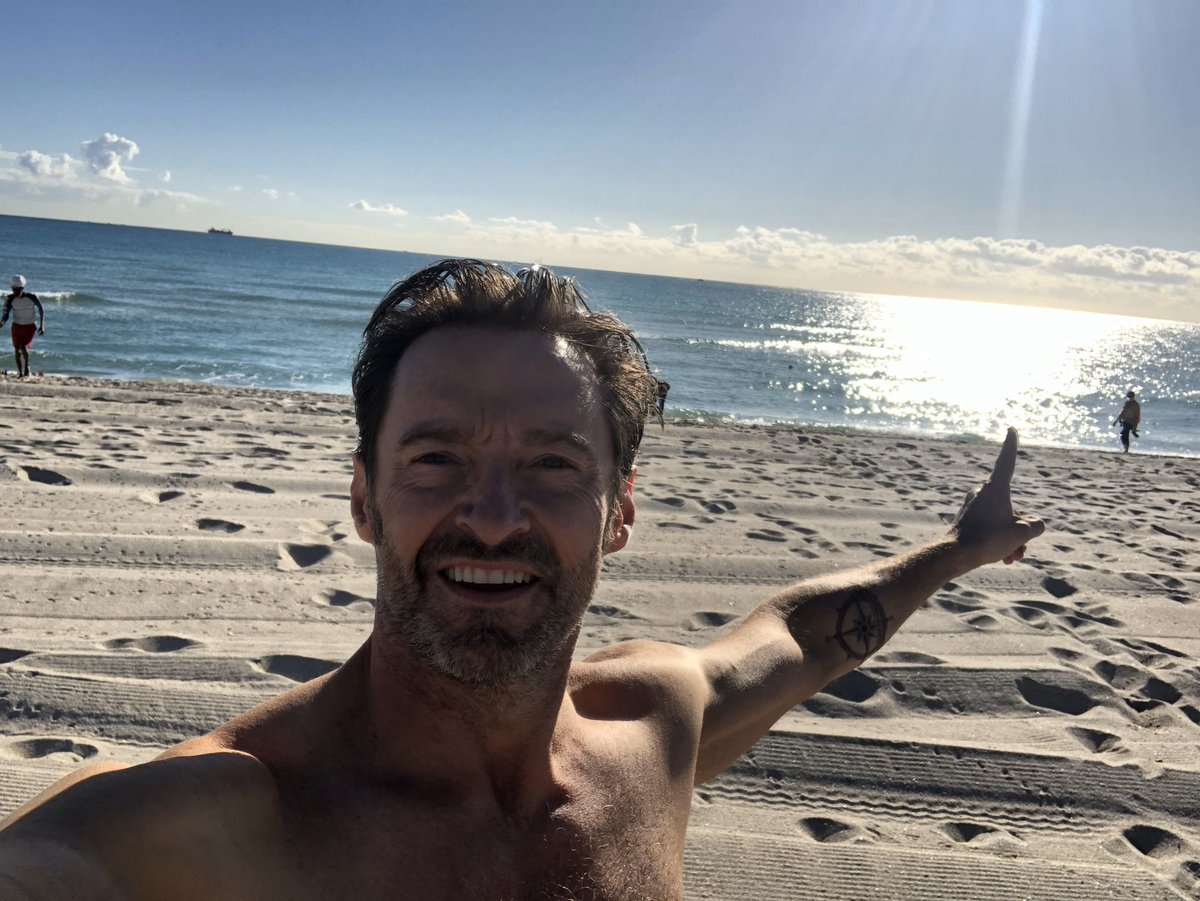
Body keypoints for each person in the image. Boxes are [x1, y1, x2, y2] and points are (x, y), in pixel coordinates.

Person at [0, 259, 1044, 899]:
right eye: (436, 458)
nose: (494, 518)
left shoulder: (653, 729)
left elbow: (804, 636)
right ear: (364, 498)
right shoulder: (212, 822)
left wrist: (958, 549)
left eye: (552, 464)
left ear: (619, 512)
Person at [0, 275, 45, 378]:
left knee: (23, 346)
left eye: (18, 289)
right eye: (14, 289)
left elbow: (41, 309)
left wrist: (42, 326)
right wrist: (2, 322)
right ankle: (20, 372)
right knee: (17, 349)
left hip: (29, 326)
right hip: (17, 326)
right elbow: (6, 313)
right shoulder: (10, 299)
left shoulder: (32, 297)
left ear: (23, 288)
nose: (16, 292)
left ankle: (27, 367)